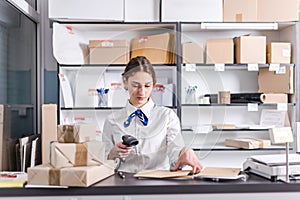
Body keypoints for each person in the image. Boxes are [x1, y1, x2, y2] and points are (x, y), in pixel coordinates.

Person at [102, 56, 202, 174]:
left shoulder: (167, 116)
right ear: (125, 82)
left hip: (157, 182)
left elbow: (175, 151)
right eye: (135, 85)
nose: (142, 92)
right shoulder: (112, 120)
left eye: (147, 86)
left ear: (153, 84)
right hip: (122, 182)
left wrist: (184, 152)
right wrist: (112, 154)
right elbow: (102, 161)